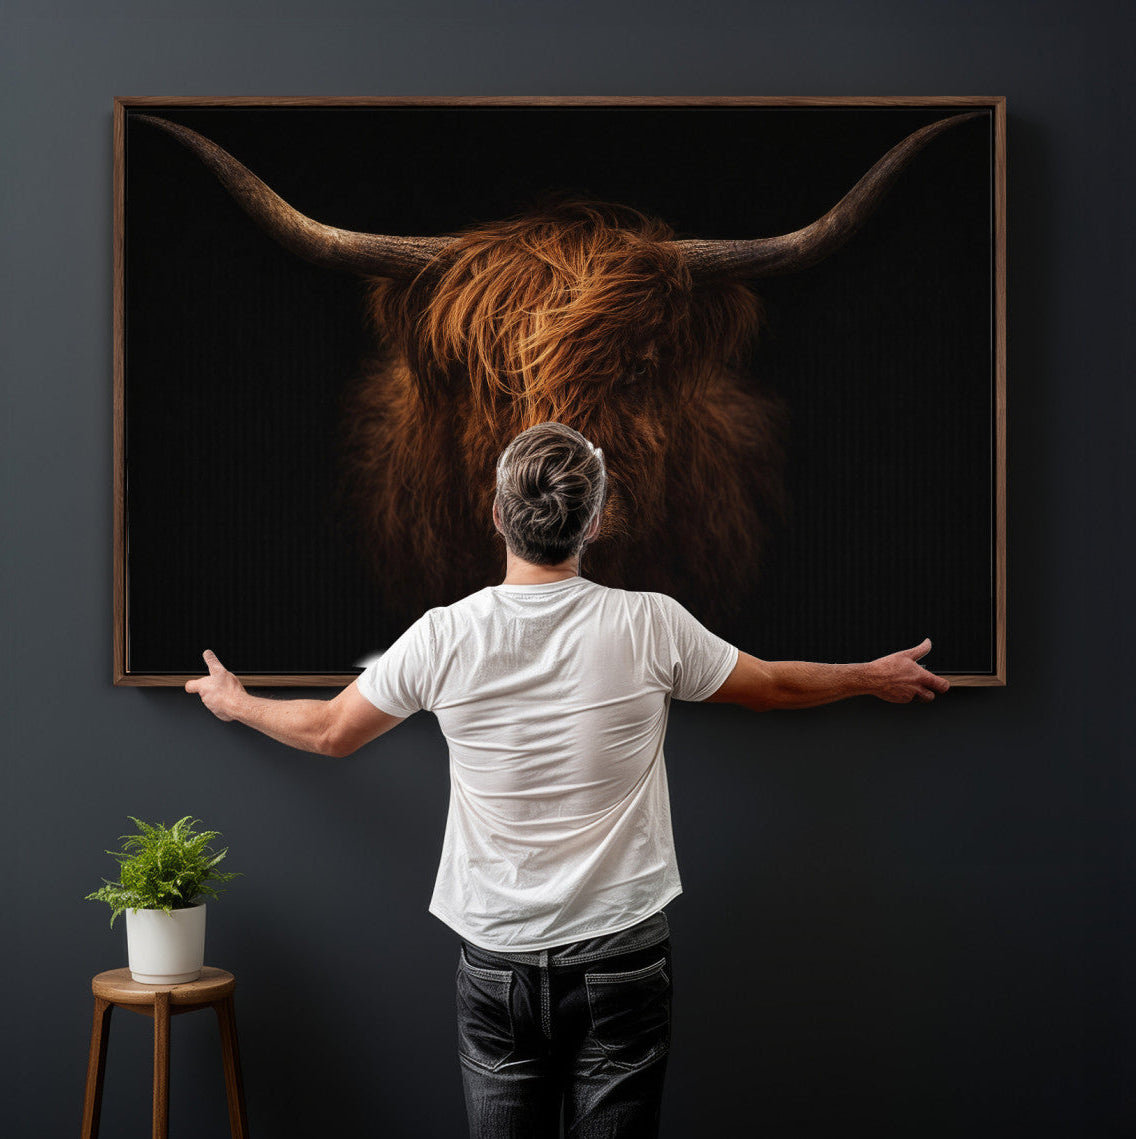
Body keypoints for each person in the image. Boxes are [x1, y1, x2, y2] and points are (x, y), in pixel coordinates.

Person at [186, 420, 950, 1138]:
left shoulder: (445, 634)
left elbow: (328, 732)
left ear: (496, 513)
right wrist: (870, 675)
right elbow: (774, 686)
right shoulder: (651, 623)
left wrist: (234, 700)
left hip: (496, 964)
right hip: (624, 958)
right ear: (594, 519)